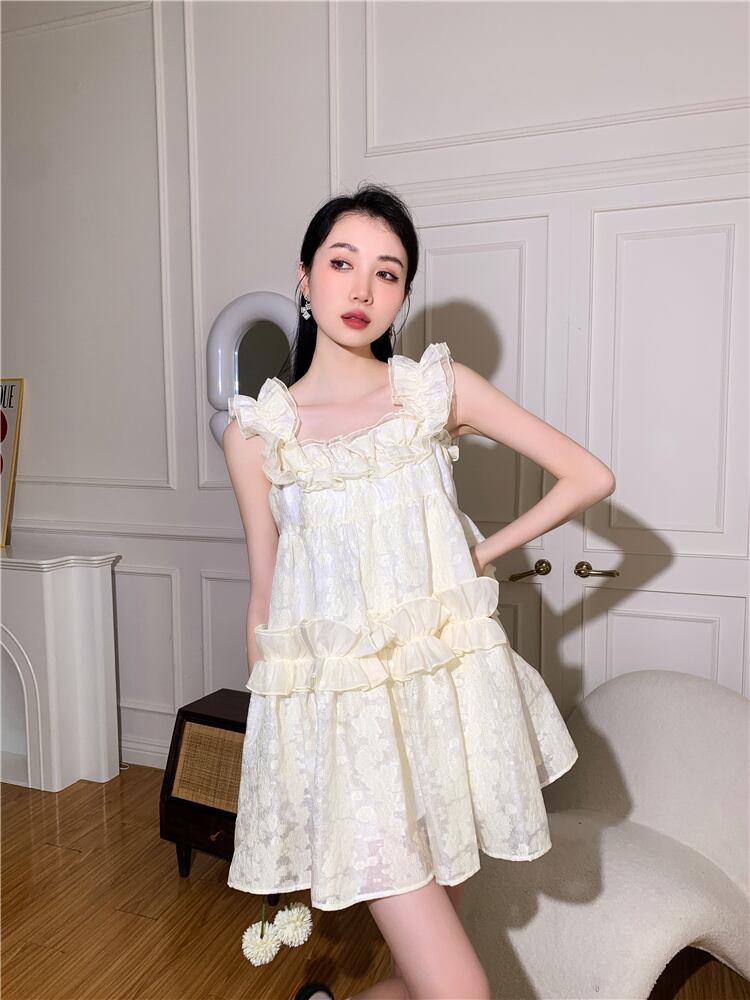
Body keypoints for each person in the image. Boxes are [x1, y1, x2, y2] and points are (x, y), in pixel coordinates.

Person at [222, 182, 616, 1000]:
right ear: (304, 275)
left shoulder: (435, 392)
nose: (363, 289)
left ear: (404, 292)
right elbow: (267, 599)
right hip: (351, 743)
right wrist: (283, 775)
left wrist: (480, 553)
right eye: (342, 263)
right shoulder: (258, 435)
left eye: (388, 272)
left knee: (416, 977)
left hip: (447, 722)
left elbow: (588, 475)